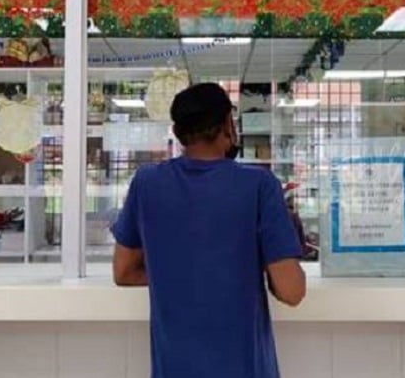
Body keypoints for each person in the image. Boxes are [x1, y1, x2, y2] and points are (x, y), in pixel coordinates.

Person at [111, 83, 306, 378]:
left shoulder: (147, 183)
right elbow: (292, 291)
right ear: (228, 123)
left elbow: (123, 272)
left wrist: (182, 275)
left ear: (178, 132)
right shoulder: (259, 185)